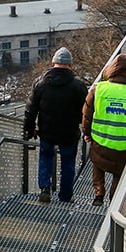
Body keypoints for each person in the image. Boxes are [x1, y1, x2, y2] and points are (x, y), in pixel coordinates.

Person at [23, 47, 88, 204]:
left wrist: (30, 129)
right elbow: (85, 112)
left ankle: (45, 189)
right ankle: (65, 196)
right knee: (68, 163)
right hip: (69, 133)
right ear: (70, 65)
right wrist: (85, 128)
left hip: (47, 131)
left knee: (45, 158)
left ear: (53, 63)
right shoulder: (78, 86)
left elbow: (30, 110)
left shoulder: (40, 83)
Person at [82, 54, 126, 206]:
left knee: (97, 163)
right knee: (119, 173)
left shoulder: (99, 89)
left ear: (110, 70)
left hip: (100, 139)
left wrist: (87, 133)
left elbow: (87, 113)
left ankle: (98, 194)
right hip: (123, 144)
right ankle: (114, 201)